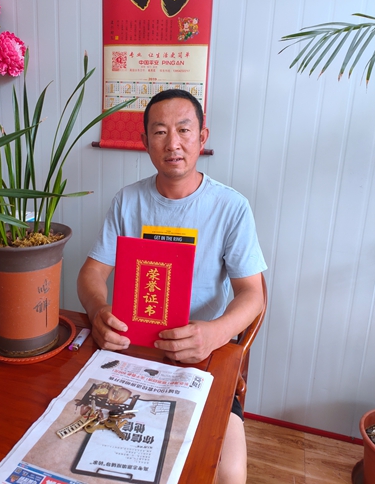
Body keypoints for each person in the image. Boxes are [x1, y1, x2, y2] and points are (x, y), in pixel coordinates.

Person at [77, 89, 267, 484]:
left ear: (202, 137)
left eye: (184, 130)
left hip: (201, 357)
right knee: (82, 447)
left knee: (229, 472)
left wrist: (214, 333)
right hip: (131, 351)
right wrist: (98, 312)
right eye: (160, 132)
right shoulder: (127, 201)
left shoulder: (231, 207)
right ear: (145, 142)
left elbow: (253, 295)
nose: (173, 143)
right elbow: (91, 274)